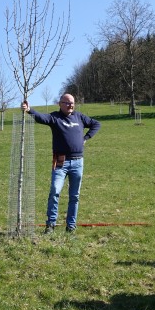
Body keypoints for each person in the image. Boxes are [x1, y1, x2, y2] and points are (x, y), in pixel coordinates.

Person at [21, 93, 101, 233]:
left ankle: (71, 226)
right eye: (67, 103)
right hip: (60, 161)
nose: (71, 105)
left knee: (74, 196)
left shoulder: (79, 117)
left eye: (72, 103)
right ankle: (50, 225)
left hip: (78, 162)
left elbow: (96, 124)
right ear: (60, 104)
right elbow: (41, 117)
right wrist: (29, 110)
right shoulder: (55, 117)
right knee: (55, 191)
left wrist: (86, 137)